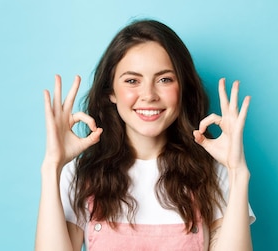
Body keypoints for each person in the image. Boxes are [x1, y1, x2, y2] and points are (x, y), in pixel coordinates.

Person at [34, 19, 255, 251]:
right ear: (111, 92)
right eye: (132, 81)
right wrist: (52, 167)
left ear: (183, 89)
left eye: (164, 79)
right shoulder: (80, 175)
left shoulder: (213, 172)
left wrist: (237, 172)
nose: (148, 95)